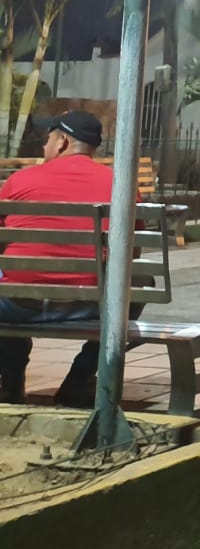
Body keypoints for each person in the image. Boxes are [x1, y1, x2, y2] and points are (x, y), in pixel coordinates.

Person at [0, 111, 117, 405]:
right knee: (140, 282)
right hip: (88, 306)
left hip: (15, 306)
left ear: (62, 141)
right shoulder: (119, 183)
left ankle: (10, 380)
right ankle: (79, 379)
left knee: (6, 278)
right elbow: (130, 254)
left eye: (47, 139)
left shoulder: (20, 180)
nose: (43, 147)